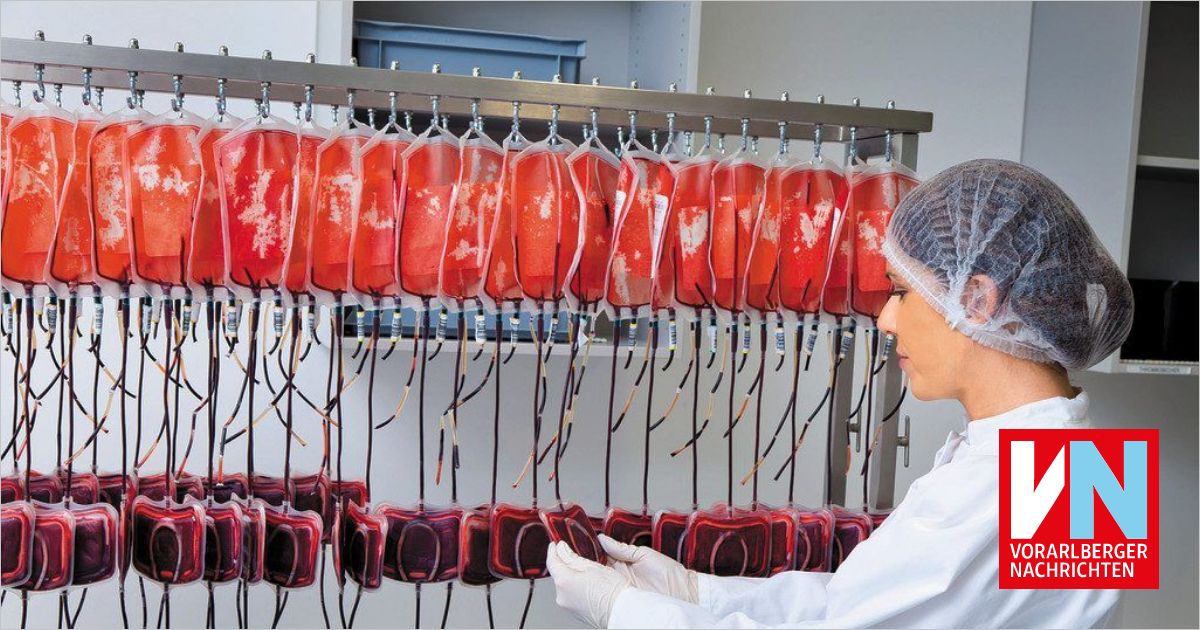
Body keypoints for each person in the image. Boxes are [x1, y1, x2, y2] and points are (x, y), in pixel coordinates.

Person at [546, 159, 1134, 628]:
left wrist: (624, 611)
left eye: (901, 291)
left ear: (977, 299)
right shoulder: (1088, 467)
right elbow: (858, 605)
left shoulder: (994, 489)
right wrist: (699, 592)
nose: (885, 319)